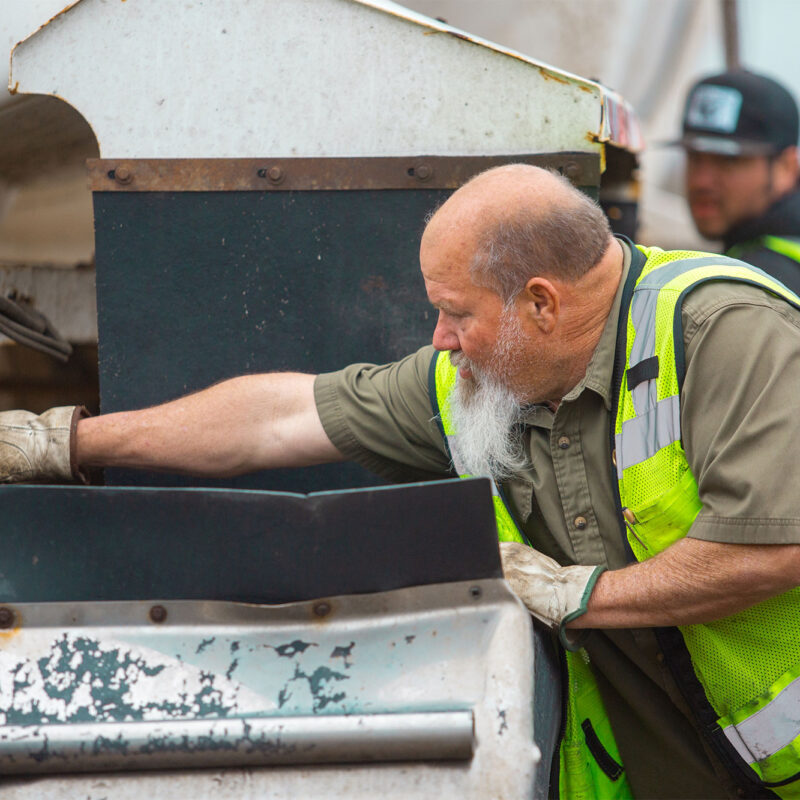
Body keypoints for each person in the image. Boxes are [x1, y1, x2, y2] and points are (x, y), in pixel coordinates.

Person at [6, 164, 800, 799]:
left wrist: (578, 596)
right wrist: (62, 441)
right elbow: (274, 420)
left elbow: (775, 547)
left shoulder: (721, 333)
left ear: (541, 305)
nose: (439, 338)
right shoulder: (481, 381)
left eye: (456, 313)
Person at [678, 69, 800, 293]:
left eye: (728, 161)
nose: (701, 181)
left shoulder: (763, 284)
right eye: (694, 157)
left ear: (786, 167)